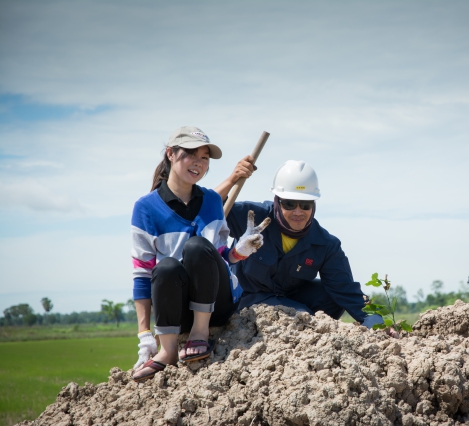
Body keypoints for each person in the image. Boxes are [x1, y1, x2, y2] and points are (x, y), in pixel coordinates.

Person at [130, 126, 268, 382]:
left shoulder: (212, 200)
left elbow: (219, 258)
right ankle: (168, 349)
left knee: (196, 246)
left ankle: (200, 332)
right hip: (177, 309)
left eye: (204, 157)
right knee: (166, 266)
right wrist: (144, 334)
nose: (199, 163)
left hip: (218, 305)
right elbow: (142, 274)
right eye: (191, 154)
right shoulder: (146, 208)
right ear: (170, 154)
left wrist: (240, 251)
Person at [215, 159, 385, 330]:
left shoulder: (325, 244)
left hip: (288, 298)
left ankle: (308, 330)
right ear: (277, 201)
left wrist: (377, 324)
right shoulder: (251, 216)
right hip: (245, 299)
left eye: (305, 205)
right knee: (302, 317)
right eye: (289, 204)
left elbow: (347, 291)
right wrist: (232, 179)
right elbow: (206, 207)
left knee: (331, 297)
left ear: (313, 206)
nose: (298, 212)